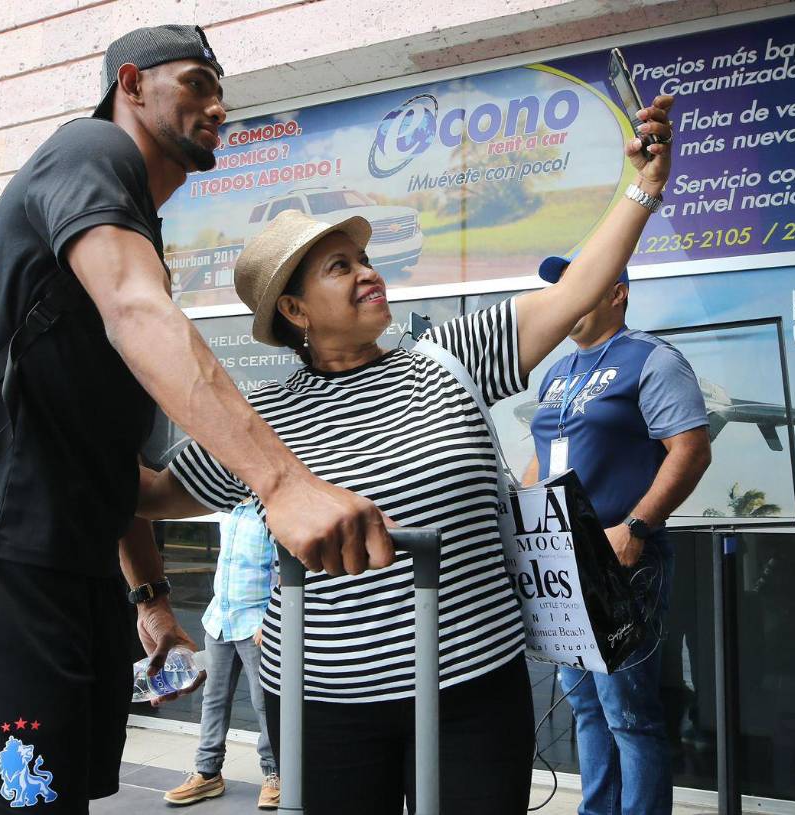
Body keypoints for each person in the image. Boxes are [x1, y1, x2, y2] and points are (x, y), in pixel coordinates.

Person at [135, 95, 676, 814]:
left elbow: (577, 286)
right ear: (293, 311)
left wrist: (642, 188)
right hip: (322, 704)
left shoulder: (453, 356)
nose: (367, 272)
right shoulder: (260, 419)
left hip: (472, 690)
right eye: (338, 266)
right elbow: (147, 495)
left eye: (363, 258)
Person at [0, 25, 393, 815]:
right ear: (130, 84)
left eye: (219, 87)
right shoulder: (89, 152)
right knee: (23, 803)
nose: (218, 104)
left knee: (62, 797)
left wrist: (153, 599)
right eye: (197, 82)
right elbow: (140, 312)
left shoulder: (133, 219)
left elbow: (104, 445)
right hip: (6, 557)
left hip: (74, 569)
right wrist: (281, 482)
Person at [523, 256, 712, 815]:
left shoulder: (652, 359)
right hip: (561, 563)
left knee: (629, 716)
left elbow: (692, 451)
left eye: (582, 283)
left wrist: (634, 529)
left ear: (618, 295)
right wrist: (522, 524)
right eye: (562, 286)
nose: (569, 294)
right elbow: (542, 459)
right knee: (586, 709)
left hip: (624, 561)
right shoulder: (558, 373)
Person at [160, 501, 280, 809]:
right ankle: (207, 772)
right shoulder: (229, 510)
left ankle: (276, 773)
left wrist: (273, 618)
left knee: (265, 701)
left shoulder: (273, 513)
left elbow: (285, 569)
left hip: (258, 623)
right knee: (212, 698)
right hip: (221, 620)